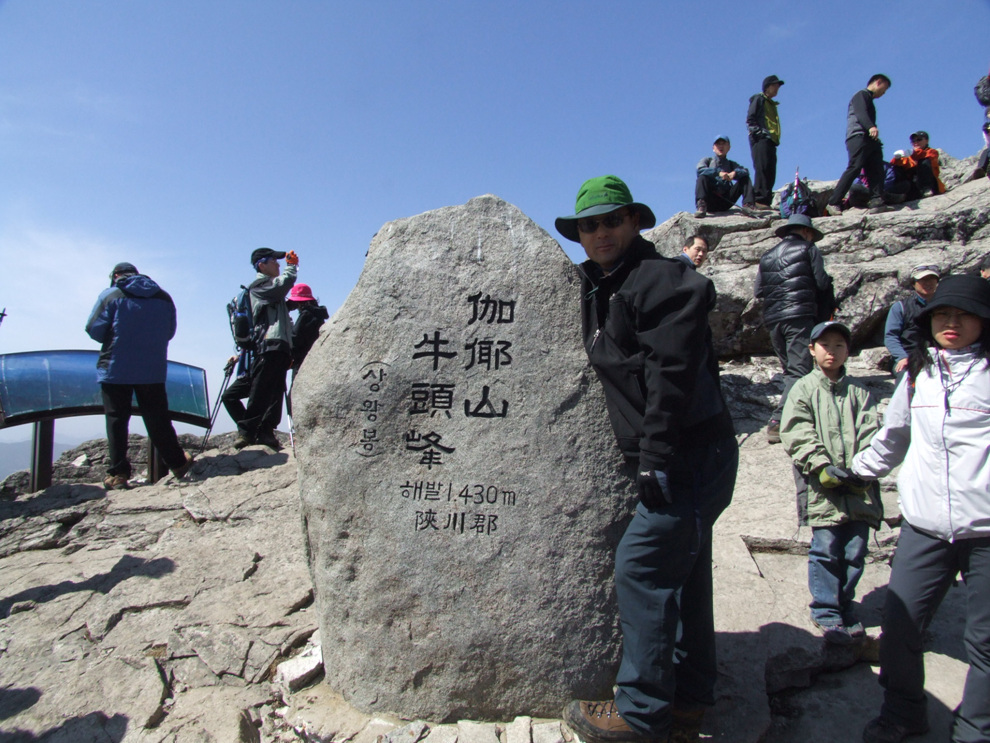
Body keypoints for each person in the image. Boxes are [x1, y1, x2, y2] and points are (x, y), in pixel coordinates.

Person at [555, 175, 738, 743]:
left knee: (642, 566)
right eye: (589, 225)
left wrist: (655, 455)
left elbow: (672, 375)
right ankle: (690, 699)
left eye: (612, 220)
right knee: (686, 571)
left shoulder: (663, 281)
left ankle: (641, 715)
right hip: (683, 454)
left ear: (634, 221)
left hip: (686, 454)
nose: (601, 233)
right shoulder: (608, 282)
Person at [847, 275, 990, 743]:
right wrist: (853, 470)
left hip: (985, 529)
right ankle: (903, 714)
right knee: (900, 627)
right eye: (942, 315)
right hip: (925, 526)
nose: (951, 323)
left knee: (985, 642)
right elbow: (894, 438)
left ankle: (974, 730)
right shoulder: (918, 373)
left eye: (963, 315)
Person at [779, 320, 883, 645]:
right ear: (811, 350)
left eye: (839, 345)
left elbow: (872, 429)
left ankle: (845, 605)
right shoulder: (803, 389)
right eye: (825, 345)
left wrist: (863, 468)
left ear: (848, 351)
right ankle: (826, 610)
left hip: (859, 487)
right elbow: (796, 431)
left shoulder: (860, 391)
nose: (832, 352)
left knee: (855, 549)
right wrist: (821, 465)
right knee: (826, 548)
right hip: (822, 488)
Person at [85, 262, 193, 490]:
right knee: (157, 418)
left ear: (116, 276)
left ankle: (118, 474)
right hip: (152, 369)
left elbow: (93, 328)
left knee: (117, 420)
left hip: (115, 367)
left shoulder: (111, 294)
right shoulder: (163, 297)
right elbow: (170, 331)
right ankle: (178, 463)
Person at [754, 214, 836, 444]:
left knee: (791, 371)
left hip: (773, 320)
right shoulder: (808, 249)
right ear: (806, 232)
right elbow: (821, 282)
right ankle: (778, 422)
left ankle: (800, 415)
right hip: (799, 317)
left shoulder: (767, 256)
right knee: (799, 371)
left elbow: (758, 291)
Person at [222, 247, 298, 450]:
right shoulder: (260, 286)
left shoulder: (269, 288)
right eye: (274, 261)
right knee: (261, 390)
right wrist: (292, 267)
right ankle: (247, 432)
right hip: (268, 345)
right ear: (261, 265)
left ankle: (265, 433)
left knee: (273, 392)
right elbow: (283, 285)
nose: (278, 264)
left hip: (279, 346)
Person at [825, 74, 892, 217]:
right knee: (855, 167)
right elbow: (861, 112)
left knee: (876, 169)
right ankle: (833, 202)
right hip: (858, 136)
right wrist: (870, 127)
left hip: (870, 139)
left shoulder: (868, 98)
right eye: (884, 89)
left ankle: (877, 201)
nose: (883, 93)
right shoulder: (861, 95)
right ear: (878, 82)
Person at [884, 264, 939, 378]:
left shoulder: (943, 306)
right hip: (909, 356)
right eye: (923, 280)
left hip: (938, 357)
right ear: (913, 284)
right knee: (907, 377)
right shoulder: (901, 307)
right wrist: (902, 357)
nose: (928, 283)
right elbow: (891, 336)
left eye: (931, 279)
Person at [747, 75, 784, 209]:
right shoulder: (759, 99)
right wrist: (759, 133)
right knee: (762, 168)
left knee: (770, 169)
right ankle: (758, 199)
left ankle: (766, 200)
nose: (777, 88)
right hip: (761, 138)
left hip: (771, 141)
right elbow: (751, 118)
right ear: (768, 86)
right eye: (775, 85)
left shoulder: (772, 104)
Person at [694, 135, 754, 217]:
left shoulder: (731, 164)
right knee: (702, 178)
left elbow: (745, 171)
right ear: (713, 148)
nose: (721, 146)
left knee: (745, 178)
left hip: (726, 200)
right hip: (710, 201)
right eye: (718, 144)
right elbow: (700, 170)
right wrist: (718, 173)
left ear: (729, 147)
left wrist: (734, 173)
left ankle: (748, 206)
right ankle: (701, 207)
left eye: (724, 144)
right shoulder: (707, 161)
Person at [888, 131, 946, 201]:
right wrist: (897, 158)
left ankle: (927, 189)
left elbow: (924, 156)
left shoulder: (932, 152)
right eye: (913, 141)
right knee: (897, 169)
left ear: (926, 141)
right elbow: (896, 165)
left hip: (931, 184)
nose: (915, 142)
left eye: (919, 139)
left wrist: (913, 153)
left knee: (924, 162)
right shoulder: (908, 156)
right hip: (914, 186)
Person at [287, 283, 329, 373]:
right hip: (315, 358)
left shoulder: (306, 315)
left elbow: (295, 338)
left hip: (302, 361)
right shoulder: (318, 315)